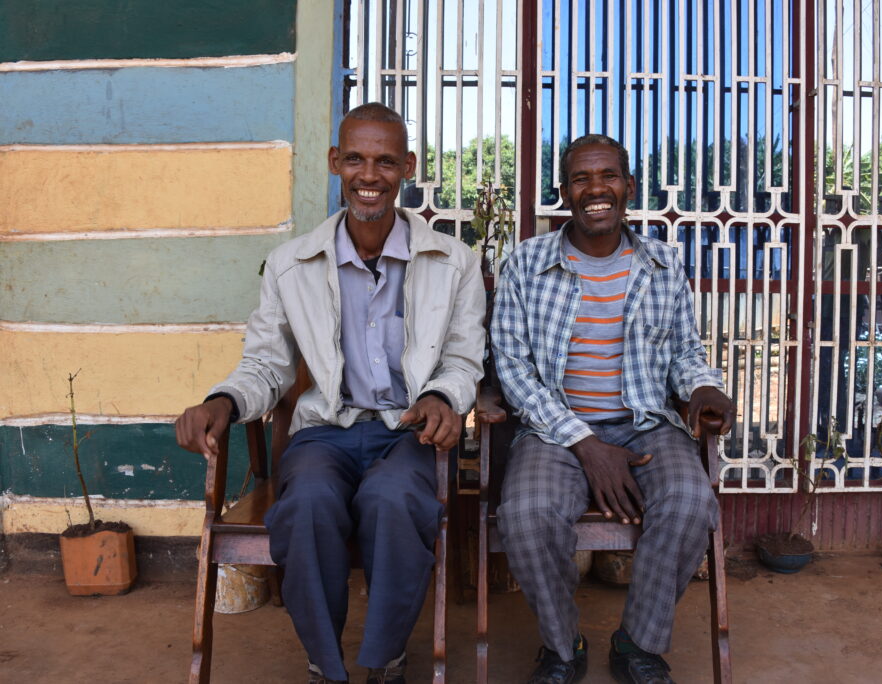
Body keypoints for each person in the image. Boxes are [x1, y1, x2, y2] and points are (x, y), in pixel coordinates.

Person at [175, 102, 485, 684]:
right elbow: (266, 365)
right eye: (356, 160)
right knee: (308, 506)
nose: (370, 176)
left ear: (408, 167)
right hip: (325, 432)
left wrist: (443, 396)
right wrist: (222, 402)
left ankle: (386, 660)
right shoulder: (290, 265)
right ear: (334, 162)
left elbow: (465, 358)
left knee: (394, 503)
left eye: (386, 161)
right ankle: (326, 663)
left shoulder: (454, 262)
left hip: (407, 432)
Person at [490, 134, 735, 684]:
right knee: (526, 516)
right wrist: (585, 442)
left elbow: (684, 353)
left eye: (608, 177)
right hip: (553, 429)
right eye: (581, 179)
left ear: (629, 186)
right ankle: (562, 646)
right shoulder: (526, 264)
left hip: (646, 423)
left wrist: (702, 388)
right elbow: (511, 367)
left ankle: (638, 644)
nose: (595, 189)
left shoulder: (663, 264)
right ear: (564, 191)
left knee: (691, 502)